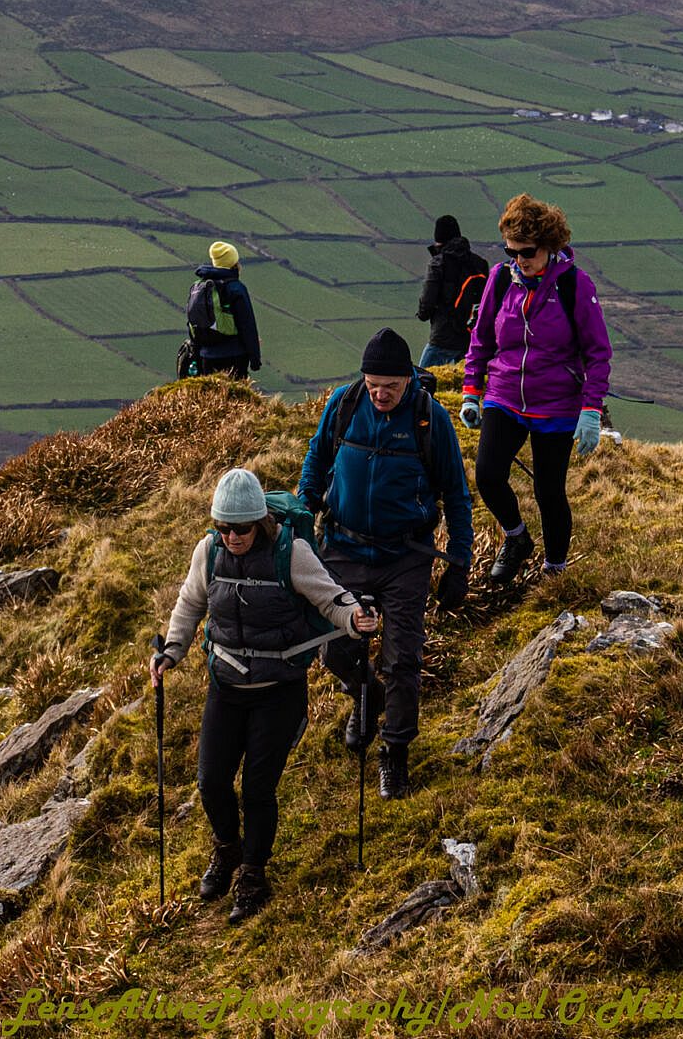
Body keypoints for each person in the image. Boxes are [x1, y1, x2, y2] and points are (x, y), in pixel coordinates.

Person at [151, 468, 377, 924]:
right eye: (223, 527)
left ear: (261, 522)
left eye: (242, 528)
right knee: (211, 783)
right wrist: (171, 652)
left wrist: (355, 620)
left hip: (279, 691)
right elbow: (190, 603)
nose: (232, 537)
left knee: (257, 788)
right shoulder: (208, 552)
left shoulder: (290, 554)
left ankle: (253, 874)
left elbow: (330, 599)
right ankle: (227, 849)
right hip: (226, 688)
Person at [297, 327, 473, 801]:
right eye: (373, 385)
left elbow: (456, 494)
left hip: (405, 557)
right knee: (333, 649)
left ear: (408, 381)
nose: (380, 395)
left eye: (390, 387)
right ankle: (364, 693)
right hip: (342, 548)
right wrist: (301, 514)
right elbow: (316, 460)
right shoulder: (345, 403)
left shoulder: (428, 418)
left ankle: (394, 754)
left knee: (403, 658)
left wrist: (459, 562)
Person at [460, 193, 611, 585]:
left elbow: (598, 353)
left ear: (549, 246)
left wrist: (591, 410)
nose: (519, 260)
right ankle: (516, 538)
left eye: (526, 252)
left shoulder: (575, 286)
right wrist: (471, 392)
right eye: (510, 251)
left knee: (549, 491)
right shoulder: (500, 279)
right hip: (505, 394)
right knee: (488, 475)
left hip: (557, 403)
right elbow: (481, 339)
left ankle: (555, 572)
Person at [416, 214, 490, 369]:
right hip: (470, 338)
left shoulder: (438, 263)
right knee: (464, 384)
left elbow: (427, 302)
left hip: (442, 336)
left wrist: (422, 314)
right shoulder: (479, 263)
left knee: (422, 382)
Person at [186, 240, 261, 379]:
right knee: (235, 396)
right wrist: (255, 359)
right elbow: (247, 325)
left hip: (206, 357)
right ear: (233, 263)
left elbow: (192, 323)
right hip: (234, 356)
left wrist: (197, 354)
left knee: (211, 397)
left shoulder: (199, 287)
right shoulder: (236, 288)